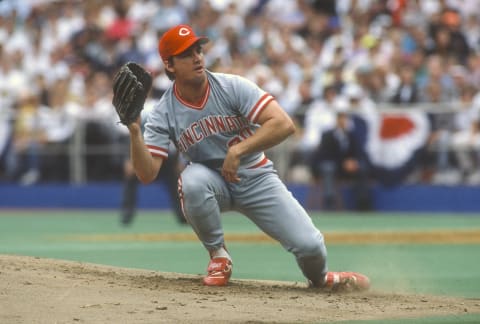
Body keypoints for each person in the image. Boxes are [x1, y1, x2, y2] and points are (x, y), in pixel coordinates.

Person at [117, 24, 370, 290]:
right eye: (186, 54)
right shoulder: (163, 112)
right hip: (211, 182)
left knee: (311, 246)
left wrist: (238, 150)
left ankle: (322, 279)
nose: (197, 57)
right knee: (191, 180)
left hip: (256, 177)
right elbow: (147, 174)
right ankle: (218, 255)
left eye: (198, 50)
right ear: (169, 65)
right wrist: (135, 131)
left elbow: (284, 124)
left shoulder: (231, 86)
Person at [310, 109, 372, 211]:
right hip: (335, 166)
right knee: (328, 168)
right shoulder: (328, 135)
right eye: (341, 118)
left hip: (348, 168)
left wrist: (354, 162)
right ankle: (329, 201)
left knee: (362, 168)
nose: (343, 121)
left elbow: (359, 152)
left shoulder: (351, 135)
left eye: (345, 119)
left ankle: (363, 202)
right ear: (337, 120)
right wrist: (343, 163)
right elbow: (325, 155)